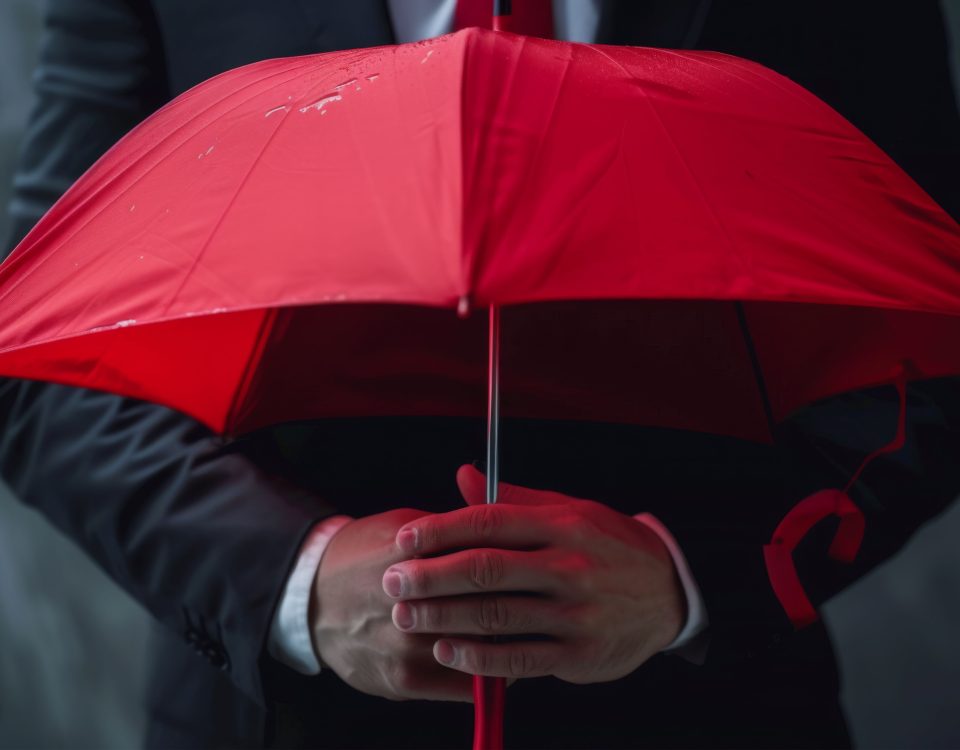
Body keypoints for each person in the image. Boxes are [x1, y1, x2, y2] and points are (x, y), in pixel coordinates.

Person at [2, 1, 959, 748]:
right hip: (281, 718)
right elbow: (42, 340)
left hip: (712, 710)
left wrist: (688, 576)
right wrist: (294, 578)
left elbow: (930, 318)